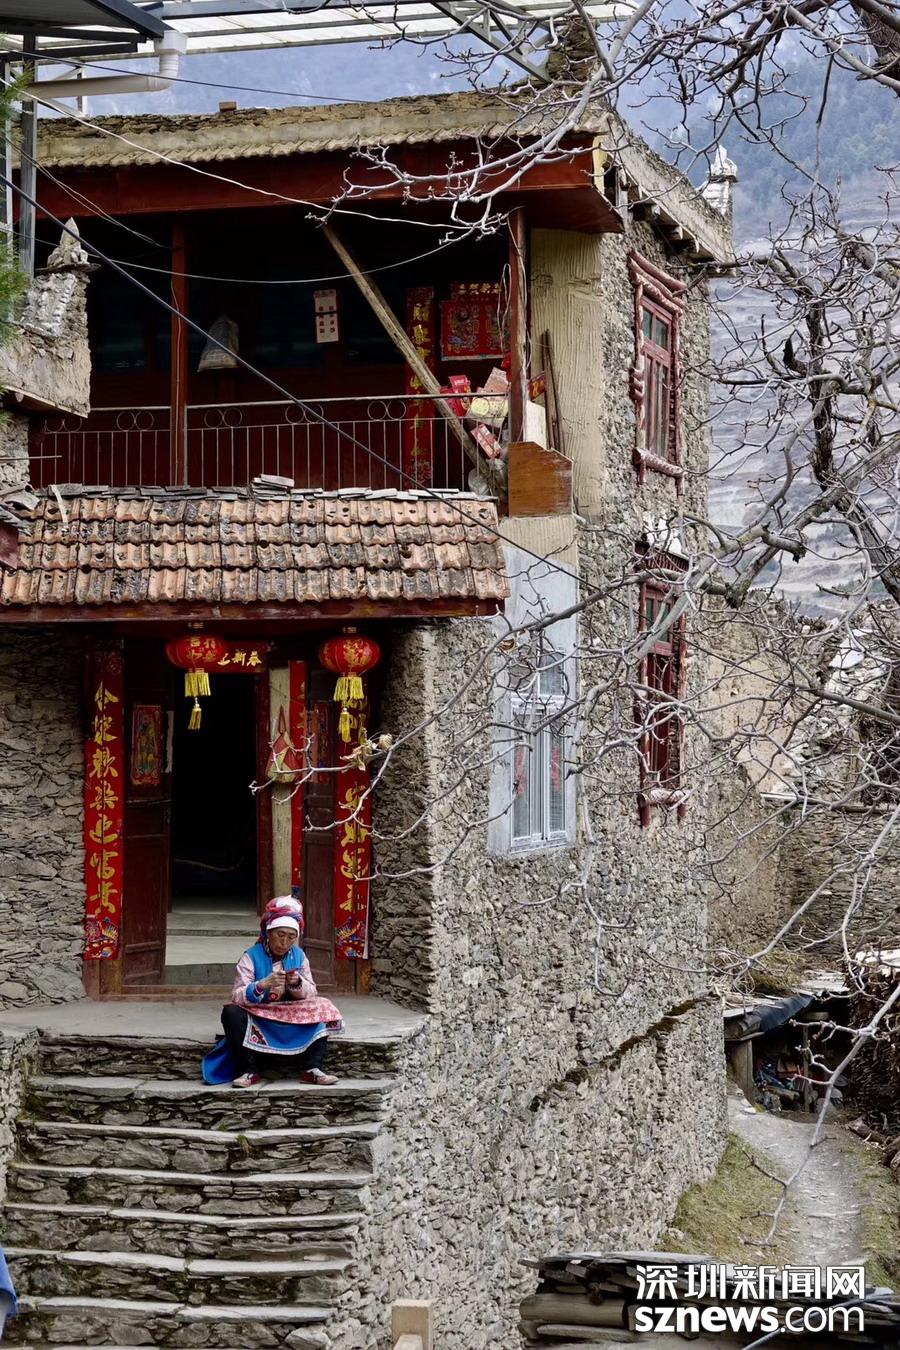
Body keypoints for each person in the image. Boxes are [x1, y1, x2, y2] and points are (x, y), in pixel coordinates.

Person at [202, 896, 344, 1088]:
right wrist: (261, 985)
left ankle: (313, 1068)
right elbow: (237, 995)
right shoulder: (251, 956)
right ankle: (249, 1070)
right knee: (230, 1012)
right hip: (259, 1013)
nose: (284, 942)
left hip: (290, 1013)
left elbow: (312, 992)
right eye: (280, 935)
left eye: (291, 937)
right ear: (268, 933)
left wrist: (297, 983)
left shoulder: (299, 956)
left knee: (323, 1006)